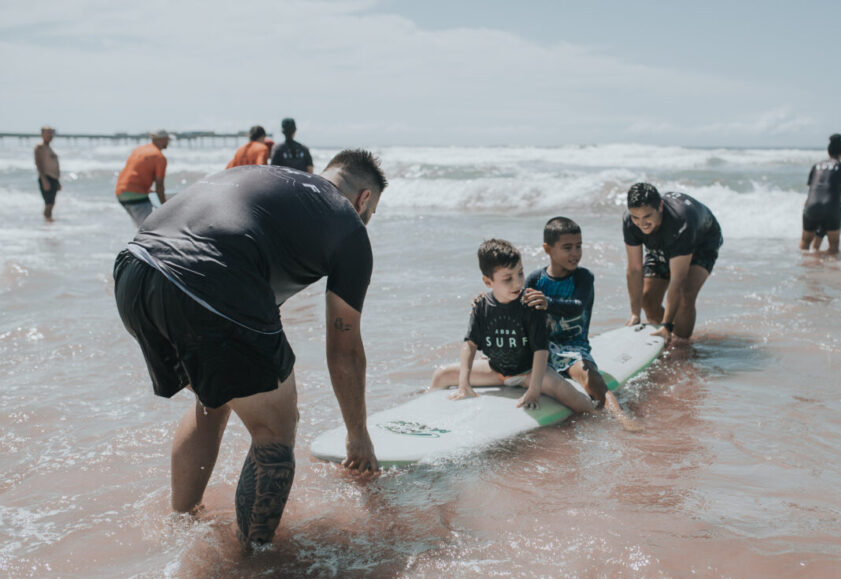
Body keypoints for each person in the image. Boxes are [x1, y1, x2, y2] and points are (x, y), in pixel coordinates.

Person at [113, 149, 387, 546]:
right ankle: (253, 563)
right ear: (363, 199)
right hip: (207, 279)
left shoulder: (265, 178)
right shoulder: (347, 224)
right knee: (275, 427)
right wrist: (357, 434)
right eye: (371, 212)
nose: (367, 220)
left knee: (214, 399)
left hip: (134, 274)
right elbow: (344, 348)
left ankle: (182, 523)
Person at [429, 238, 595, 414]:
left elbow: (541, 351)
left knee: (573, 398)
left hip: (529, 373)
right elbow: (470, 344)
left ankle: (597, 415)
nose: (517, 283)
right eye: (508, 279)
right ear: (488, 282)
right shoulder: (481, 306)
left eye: (520, 274)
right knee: (441, 375)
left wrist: (534, 390)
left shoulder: (530, 305)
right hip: (495, 371)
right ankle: (427, 410)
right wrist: (464, 384)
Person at [525, 217, 635, 428]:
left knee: (590, 377)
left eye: (578, 246)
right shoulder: (535, 279)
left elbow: (577, 305)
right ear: (547, 249)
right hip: (540, 347)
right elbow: (518, 309)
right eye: (567, 247)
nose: (575, 253)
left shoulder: (583, 278)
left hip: (572, 347)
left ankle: (621, 418)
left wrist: (547, 302)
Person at [622, 183, 723, 342]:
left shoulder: (681, 221)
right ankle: (664, 335)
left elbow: (678, 279)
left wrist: (667, 324)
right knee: (647, 298)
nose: (642, 223)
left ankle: (682, 344)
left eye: (647, 216)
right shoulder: (630, 221)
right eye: (636, 217)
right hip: (664, 240)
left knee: (684, 296)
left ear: (660, 206)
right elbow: (634, 269)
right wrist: (635, 314)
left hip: (701, 241)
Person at [801, 133, 841, 255]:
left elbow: (813, 189)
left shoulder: (816, 166)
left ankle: (803, 268)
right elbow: (839, 192)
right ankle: (830, 271)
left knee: (805, 244)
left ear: (828, 151)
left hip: (811, 205)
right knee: (833, 247)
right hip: (831, 206)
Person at [115, 130, 170, 228]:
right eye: (167, 140)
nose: (168, 142)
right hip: (136, 195)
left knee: (141, 227)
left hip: (121, 192)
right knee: (149, 229)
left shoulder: (139, 150)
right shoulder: (159, 157)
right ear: (162, 139)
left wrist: (148, 190)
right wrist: (164, 208)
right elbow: (160, 185)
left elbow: (135, 173)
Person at [34, 126, 61, 222]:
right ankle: (47, 222)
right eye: (48, 133)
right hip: (46, 178)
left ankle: (47, 224)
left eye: (51, 133)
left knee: (52, 203)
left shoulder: (50, 148)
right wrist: (44, 179)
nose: (50, 135)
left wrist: (58, 181)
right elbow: (38, 164)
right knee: (49, 204)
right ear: (42, 134)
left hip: (54, 178)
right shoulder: (40, 148)